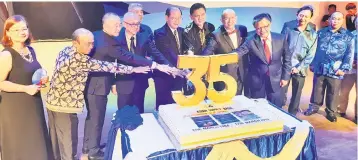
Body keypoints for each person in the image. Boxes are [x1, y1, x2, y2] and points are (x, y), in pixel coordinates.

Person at [46, 28, 150, 160]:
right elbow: (106, 66)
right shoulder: (79, 60)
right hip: (64, 107)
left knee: (56, 142)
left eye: (92, 43)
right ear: (75, 43)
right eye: (87, 44)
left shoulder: (65, 50)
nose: (91, 47)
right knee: (68, 144)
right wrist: (134, 69)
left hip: (51, 102)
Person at [83, 12, 176, 159]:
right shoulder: (109, 42)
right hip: (97, 86)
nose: (119, 27)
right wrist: (154, 65)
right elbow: (128, 57)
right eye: (117, 25)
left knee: (94, 118)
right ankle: (93, 152)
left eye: (119, 24)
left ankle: (89, 147)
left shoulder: (98, 35)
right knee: (96, 119)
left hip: (97, 84)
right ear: (106, 24)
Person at [0, 15, 53, 160]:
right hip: (15, 108)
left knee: (36, 140)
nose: (22, 32)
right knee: (21, 142)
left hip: (33, 103)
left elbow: (34, 72)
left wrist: (43, 77)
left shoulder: (30, 50)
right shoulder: (6, 55)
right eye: (16, 30)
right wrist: (25, 88)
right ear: (8, 33)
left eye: (24, 28)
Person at [114, 12, 173, 113]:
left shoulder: (144, 36)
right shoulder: (116, 38)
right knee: (123, 114)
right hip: (123, 83)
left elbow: (156, 53)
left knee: (139, 112)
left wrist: (170, 67)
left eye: (138, 24)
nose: (136, 27)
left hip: (140, 82)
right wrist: (112, 83)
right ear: (125, 24)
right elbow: (111, 61)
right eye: (133, 24)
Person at [304, 12, 355, 122]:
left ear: (342, 21)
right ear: (329, 20)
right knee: (317, 88)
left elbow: (349, 54)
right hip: (320, 66)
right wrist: (312, 63)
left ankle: (331, 111)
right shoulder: (321, 33)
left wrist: (344, 68)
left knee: (334, 91)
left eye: (338, 19)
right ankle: (314, 107)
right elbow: (314, 49)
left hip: (336, 69)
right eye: (333, 18)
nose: (335, 21)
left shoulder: (348, 36)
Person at [233, 13, 291, 108]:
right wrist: (225, 58)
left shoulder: (281, 38)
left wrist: (285, 77)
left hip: (276, 79)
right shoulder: (250, 40)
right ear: (255, 28)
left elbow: (287, 59)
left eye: (265, 26)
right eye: (259, 28)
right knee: (258, 107)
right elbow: (240, 51)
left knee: (276, 107)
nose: (262, 30)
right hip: (257, 80)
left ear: (270, 24)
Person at [281, 5, 318, 115]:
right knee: (281, 92)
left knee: (297, 93)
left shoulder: (313, 34)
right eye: (301, 15)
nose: (303, 18)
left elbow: (311, 54)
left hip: (300, 69)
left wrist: (299, 67)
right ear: (297, 15)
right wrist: (285, 64)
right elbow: (282, 45)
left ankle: (292, 114)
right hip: (285, 66)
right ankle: (279, 112)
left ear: (310, 18)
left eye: (306, 16)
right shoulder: (288, 27)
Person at [202, 9, 248, 96]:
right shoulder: (215, 35)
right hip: (224, 76)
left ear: (236, 18)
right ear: (221, 20)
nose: (230, 21)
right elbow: (207, 52)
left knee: (238, 102)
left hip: (240, 73)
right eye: (227, 18)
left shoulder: (242, 29)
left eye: (232, 18)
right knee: (224, 106)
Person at [154, 7, 188, 109]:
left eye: (179, 18)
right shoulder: (159, 33)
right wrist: (181, 68)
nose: (177, 21)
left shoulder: (183, 31)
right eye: (173, 18)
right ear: (166, 17)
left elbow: (186, 50)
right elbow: (169, 53)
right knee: (164, 106)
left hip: (179, 75)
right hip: (164, 76)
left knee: (176, 106)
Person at [338, 18, 357, 123]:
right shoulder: (349, 35)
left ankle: (357, 115)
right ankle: (341, 110)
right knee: (344, 91)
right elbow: (343, 50)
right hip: (349, 69)